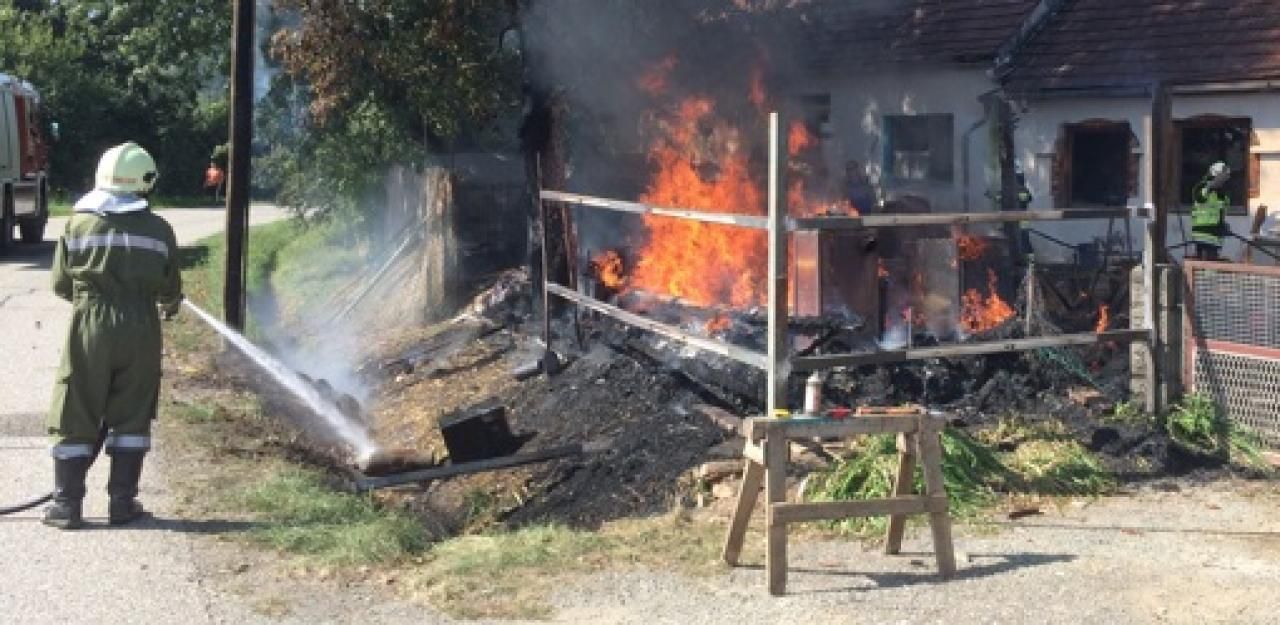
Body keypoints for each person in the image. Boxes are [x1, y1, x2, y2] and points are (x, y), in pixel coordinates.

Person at [43, 142, 183, 530]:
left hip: (90, 325)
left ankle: (66, 505)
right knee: (133, 412)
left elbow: (60, 284)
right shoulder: (160, 230)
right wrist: (166, 302)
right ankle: (122, 502)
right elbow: (170, 289)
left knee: (75, 405)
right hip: (141, 327)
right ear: (145, 182)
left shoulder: (77, 224)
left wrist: (92, 300)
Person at [1191, 161, 1231, 261]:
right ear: (1215, 175)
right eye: (1222, 177)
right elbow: (1199, 197)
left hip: (1215, 235)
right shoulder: (1202, 187)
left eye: (1226, 178)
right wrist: (1209, 187)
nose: (1224, 180)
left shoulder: (1221, 193)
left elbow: (1220, 212)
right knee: (1205, 264)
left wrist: (1223, 225)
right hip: (1203, 233)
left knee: (1212, 264)